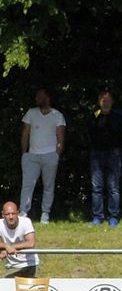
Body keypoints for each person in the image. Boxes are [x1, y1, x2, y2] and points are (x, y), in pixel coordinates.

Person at [20, 87, 66, 225]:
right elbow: (25, 134)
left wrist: (56, 155)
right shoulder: (31, 113)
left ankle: (45, 214)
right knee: (27, 185)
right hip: (32, 156)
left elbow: (61, 137)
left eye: (40, 96)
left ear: (47, 97)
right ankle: (23, 212)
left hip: (50, 155)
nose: (37, 99)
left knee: (48, 186)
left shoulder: (57, 115)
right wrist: (24, 153)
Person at [87, 90, 122, 226]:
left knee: (113, 187)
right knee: (96, 188)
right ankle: (97, 217)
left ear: (112, 102)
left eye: (107, 100)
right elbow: (88, 133)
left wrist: (121, 148)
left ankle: (113, 217)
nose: (105, 103)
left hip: (113, 154)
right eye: (102, 100)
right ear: (99, 102)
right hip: (96, 155)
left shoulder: (119, 116)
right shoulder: (94, 116)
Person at [1, 201, 39, 291]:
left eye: (13, 213)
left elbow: (31, 243)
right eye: (7, 214)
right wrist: (5, 246)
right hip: (12, 267)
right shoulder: (0, 224)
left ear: (18, 213)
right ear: (3, 215)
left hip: (29, 265)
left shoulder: (26, 222)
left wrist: (10, 247)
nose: (10, 217)